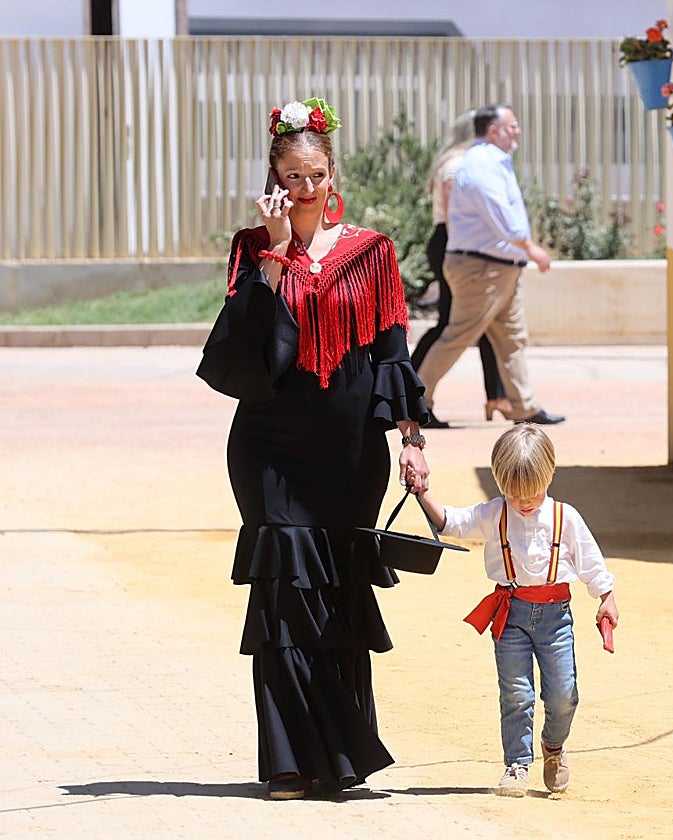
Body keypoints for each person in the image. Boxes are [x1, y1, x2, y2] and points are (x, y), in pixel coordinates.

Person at [196, 96, 430, 800]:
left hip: (351, 451)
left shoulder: (374, 252)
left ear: (333, 175)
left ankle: (342, 763)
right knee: (281, 596)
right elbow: (243, 355)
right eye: (291, 176)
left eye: (315, 175)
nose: (304, 188)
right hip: (269, 446)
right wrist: (271, 254)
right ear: (273, 177)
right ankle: (290, 763)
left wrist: (412, 440)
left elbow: (392, 352)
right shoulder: (250, 249)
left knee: (337, 599)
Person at [415, 424, 618, 796]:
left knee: (563, 692)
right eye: (513, 493)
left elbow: (590, 560)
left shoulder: (565, 517)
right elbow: (451, 522)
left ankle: (553, 748)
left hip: (556, 618)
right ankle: (517, 765)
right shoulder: (494, 513)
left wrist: (605, 595)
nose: (524, 501)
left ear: (550, 475)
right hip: (510, 617)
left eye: (533, 492)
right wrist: (423, 493)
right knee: (515, 693)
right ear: (499, 482)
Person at [414, 103, 565, 425]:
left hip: (500, 265)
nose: (518, 132)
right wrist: (529, 246)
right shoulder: (480, 162)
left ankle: (524, 406)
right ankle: (417, 403)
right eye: (512, 126)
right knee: (457, 336)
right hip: (482, 267)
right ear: (493, 130)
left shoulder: (491, 161)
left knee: (512, 338)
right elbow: (497, 210)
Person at [411, 110, 512, 428]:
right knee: (452, 327)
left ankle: (498, 397)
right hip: (455, 243)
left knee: (484, 322)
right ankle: (409, 393)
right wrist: (468, 252)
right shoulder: (456, 164)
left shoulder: (459, 161)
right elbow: (455, 211)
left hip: (454, 243)